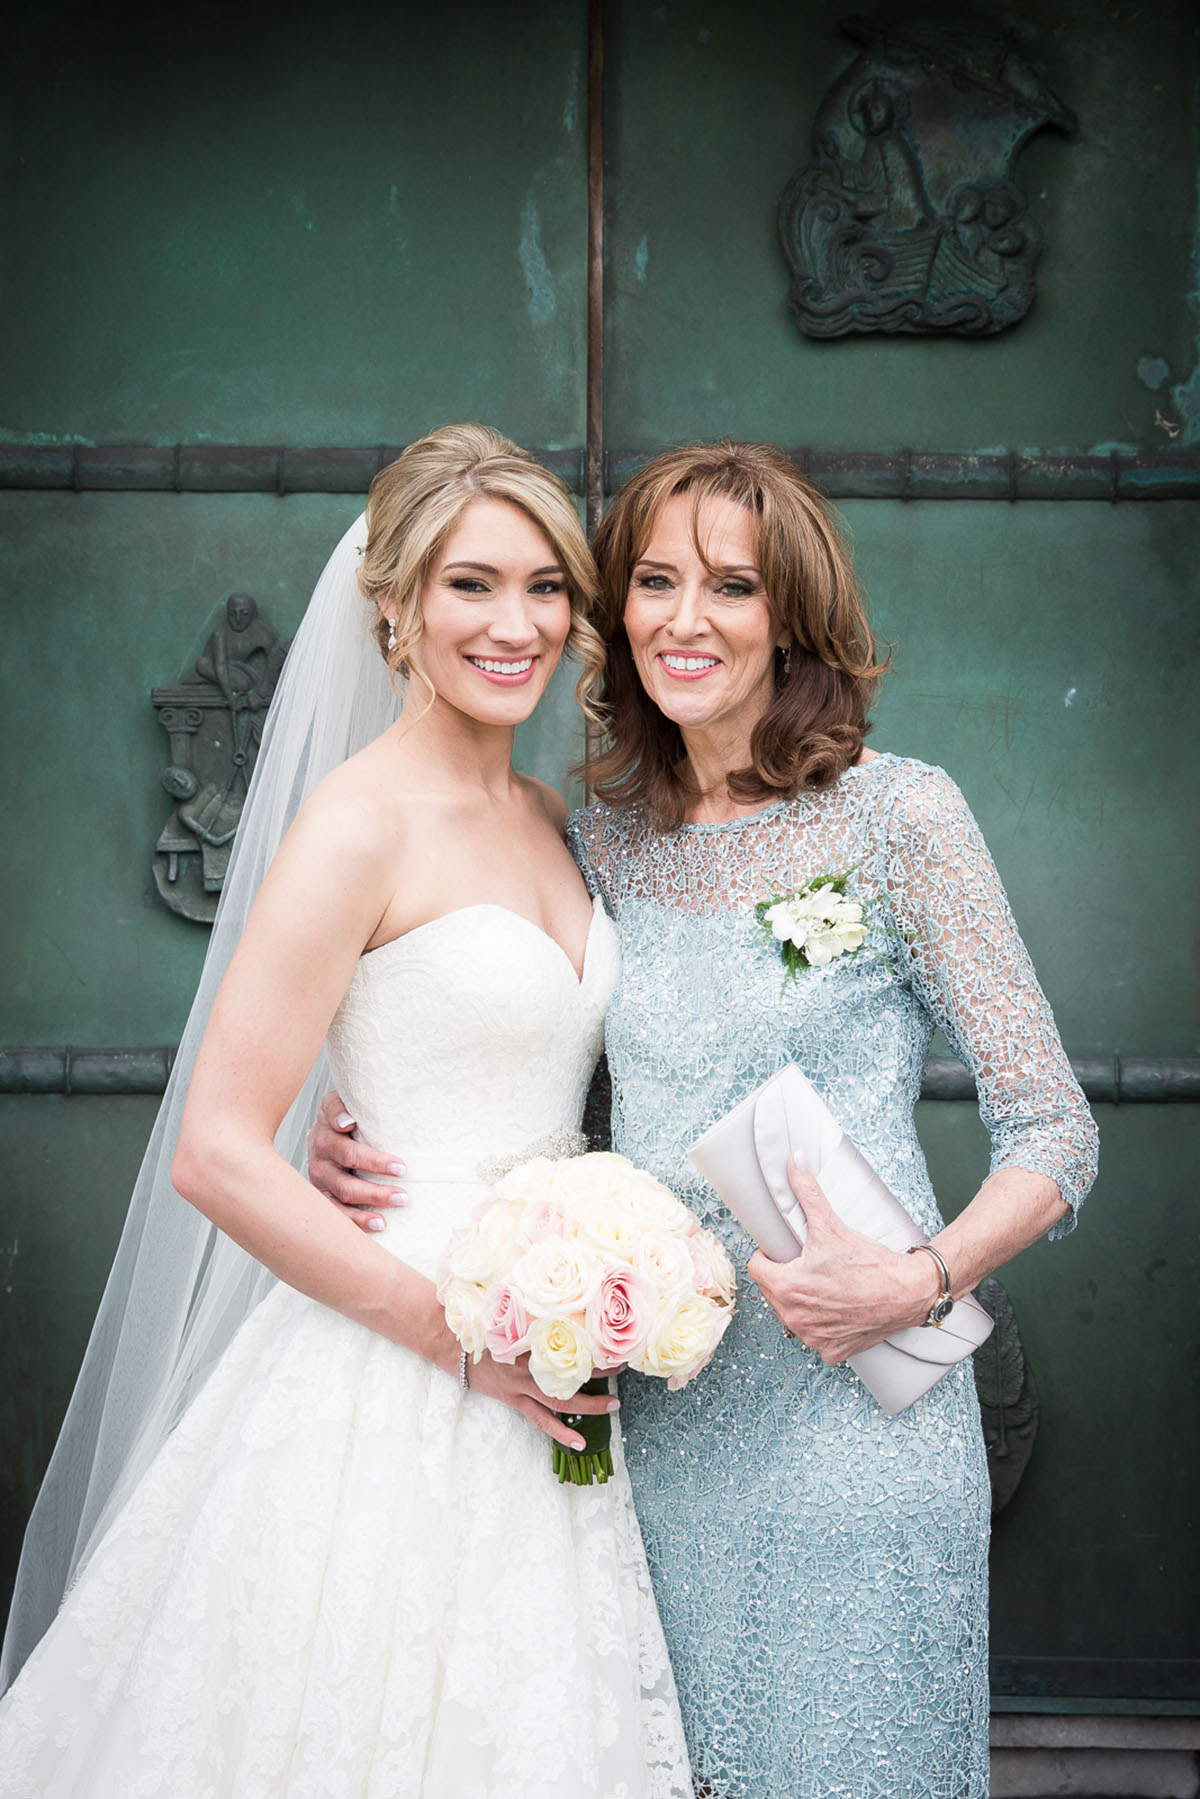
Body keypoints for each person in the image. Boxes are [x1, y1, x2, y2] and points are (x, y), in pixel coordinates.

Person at [312, 440, 1099, 1798]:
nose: (687, 619)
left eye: (731, 588)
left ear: (790, 616)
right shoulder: (600, 843)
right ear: (617, 613)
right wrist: (360, 1111)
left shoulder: (900, 818)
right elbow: (534, 1063)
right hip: (655, 1426)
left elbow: (1057, 1130)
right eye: (657, 582)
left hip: (865, 1417)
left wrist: (917, 1278)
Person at [0, 425, 692, 1799]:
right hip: (400, 1356)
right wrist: (456, 1340)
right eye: (469, 585)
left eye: (548, 586)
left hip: (552, 1344)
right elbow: (213, 1153)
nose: (518, 624)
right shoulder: (355, 823)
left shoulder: (555, 814)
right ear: (391, 608)